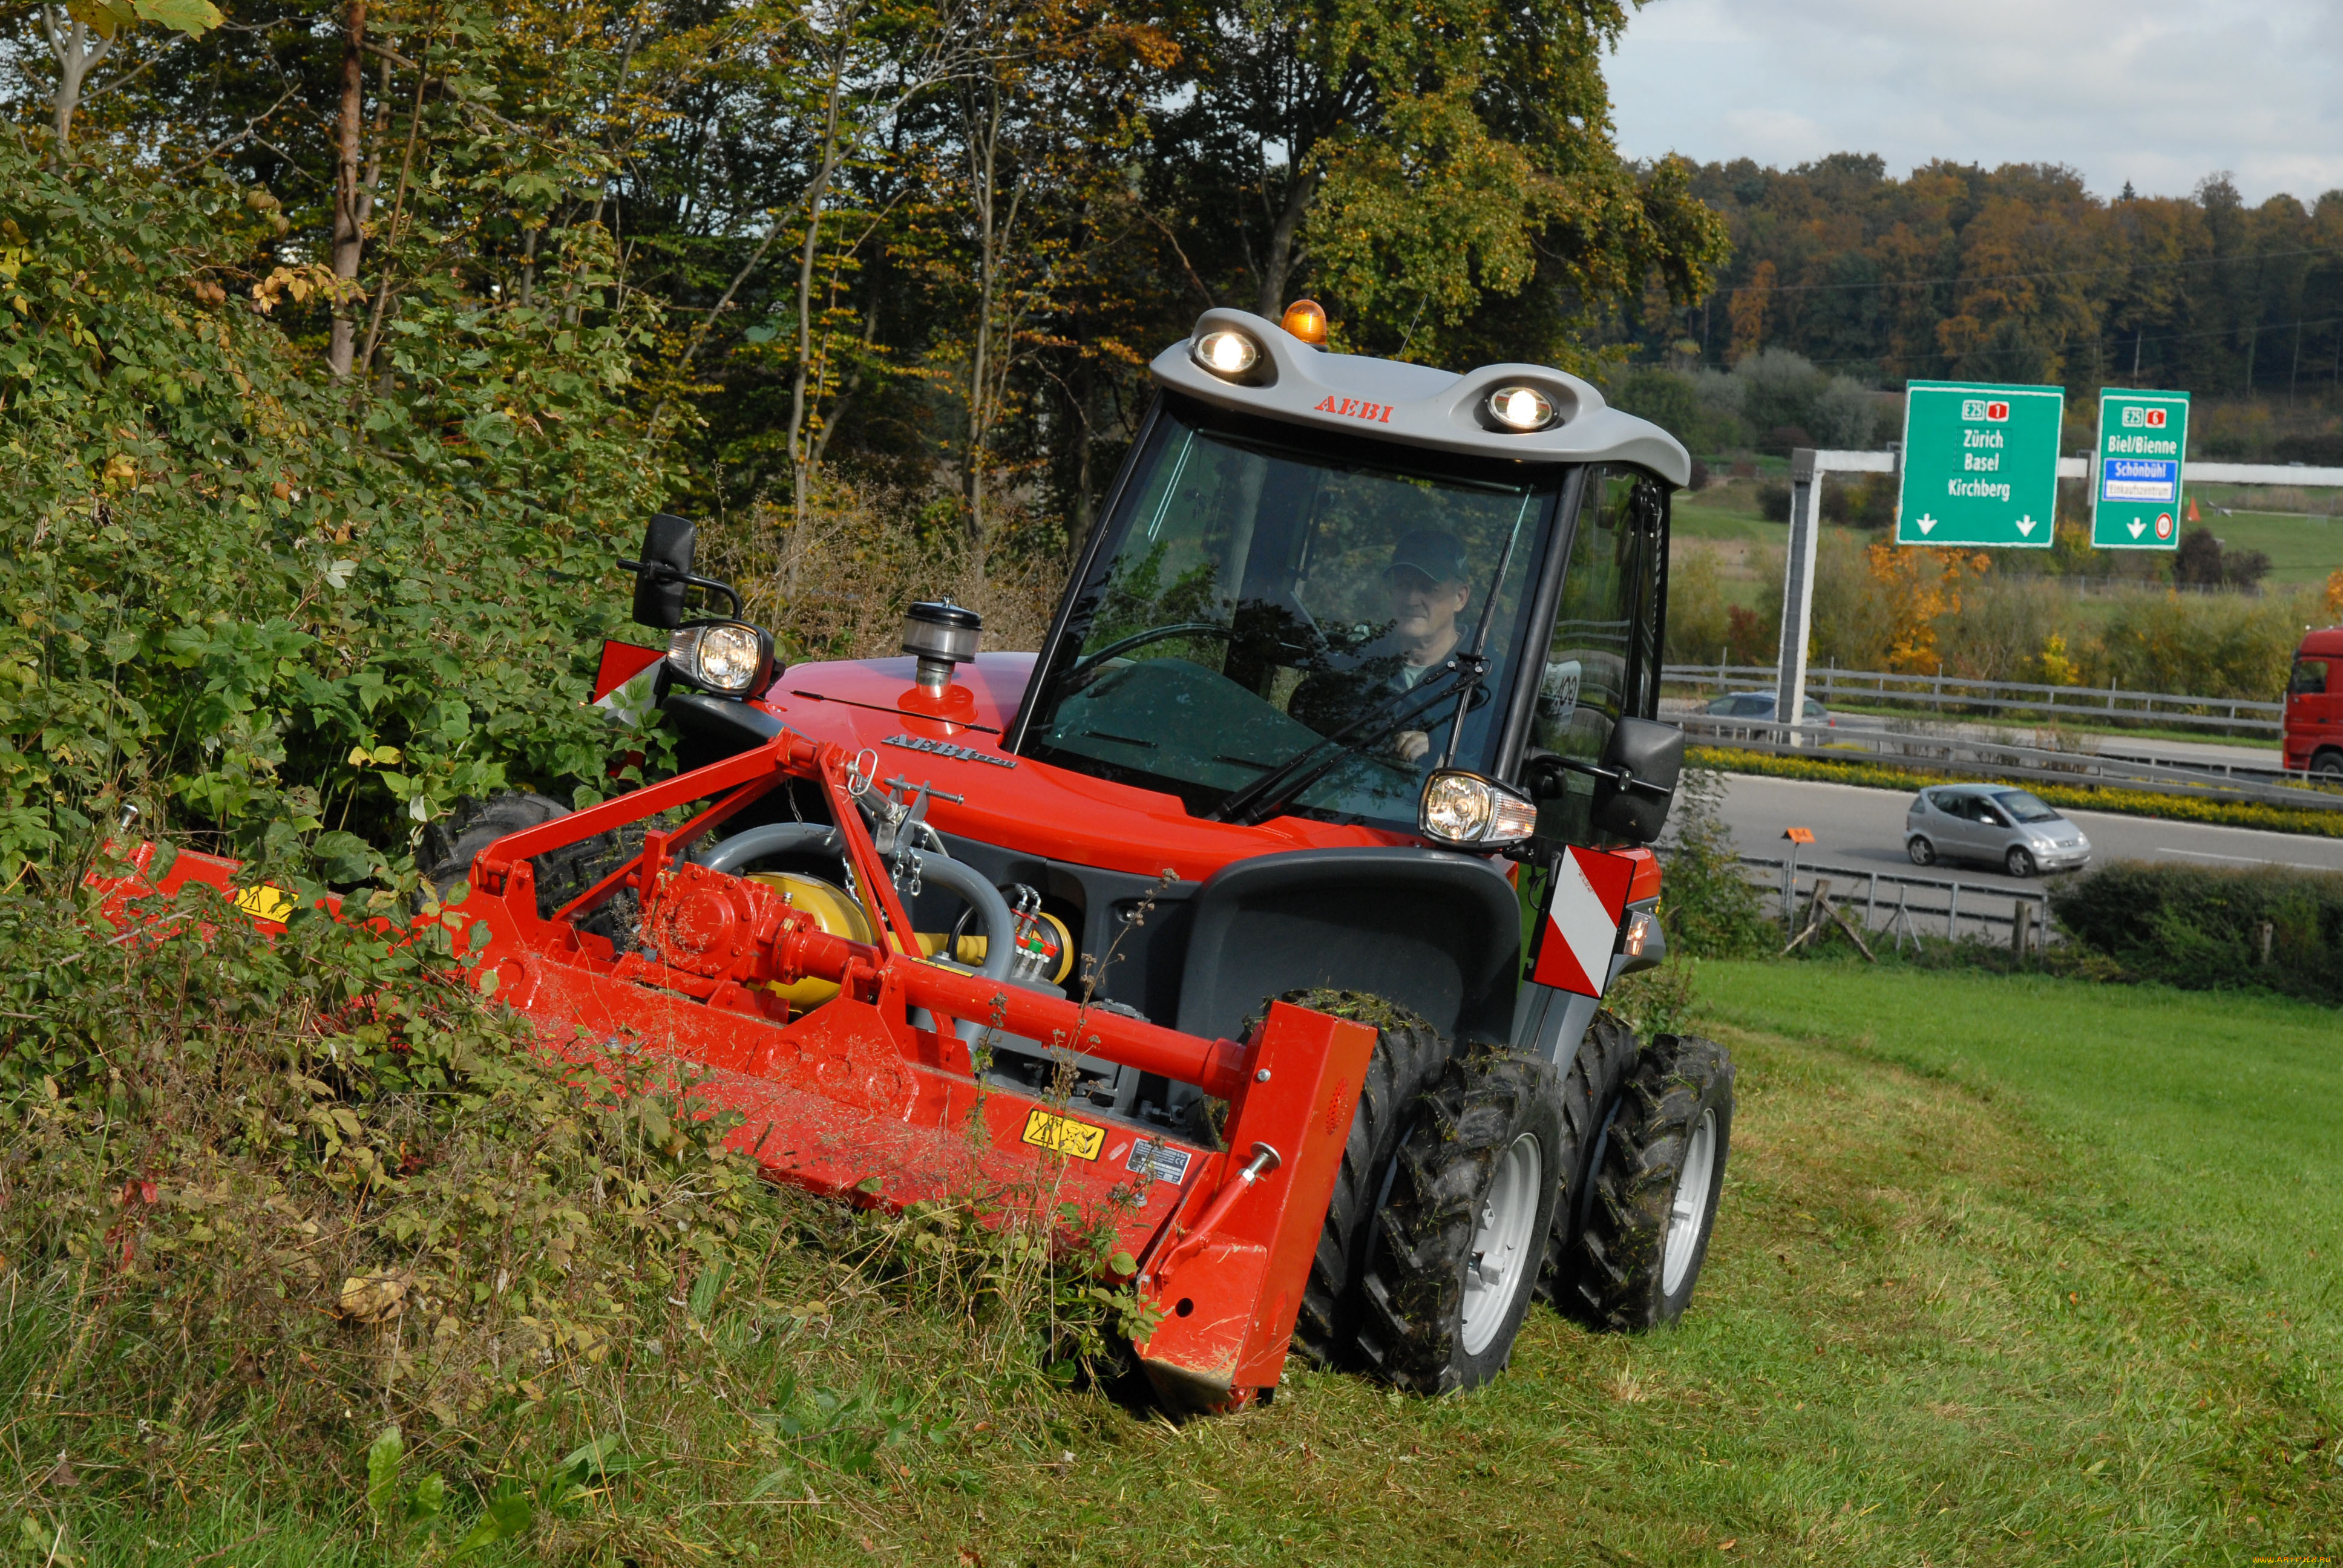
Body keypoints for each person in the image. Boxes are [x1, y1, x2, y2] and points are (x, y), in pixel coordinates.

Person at [1289, 529, 1473, 763]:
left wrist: (1444, 760)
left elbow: (1500, 776)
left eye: (1427, 588)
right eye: (1403, 585)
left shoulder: (1488, 684)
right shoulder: (1356, 665)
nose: (1411, 599)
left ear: (1460, 597)